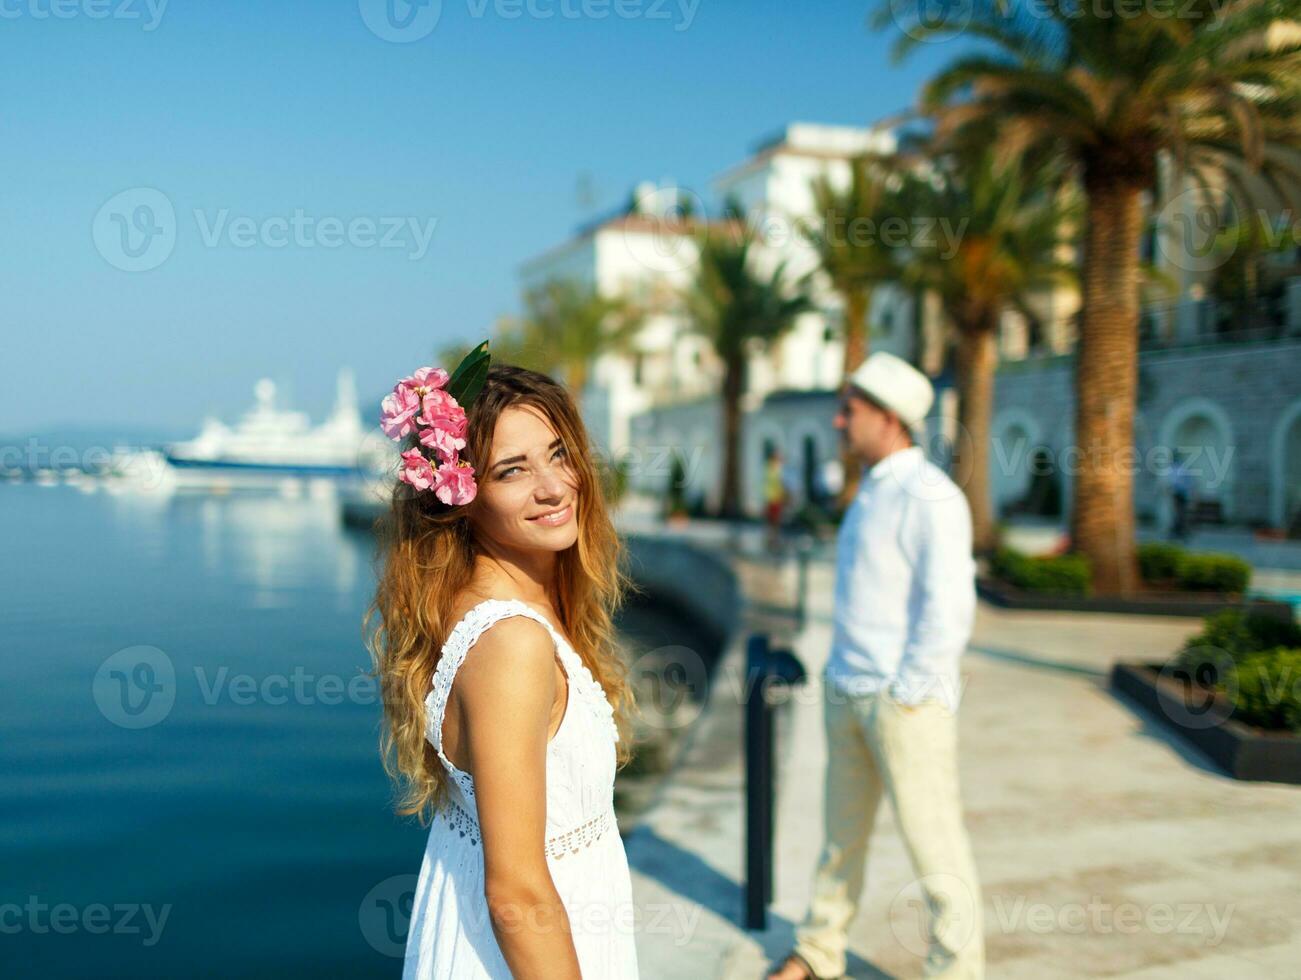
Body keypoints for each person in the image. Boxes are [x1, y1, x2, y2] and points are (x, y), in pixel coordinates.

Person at [367, 354, 639, 979]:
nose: (554, 486)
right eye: (512, 470)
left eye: (560, 453)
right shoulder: (510, 642)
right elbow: (516, 895)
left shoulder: (480, 603)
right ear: (463, 495)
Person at [768, 351, 984, 980]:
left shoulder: (931, 495)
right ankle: (819, 950)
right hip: (848, 691)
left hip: (900, 702)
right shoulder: (872, 491)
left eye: (850, 410)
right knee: (841, 840)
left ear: (889, 418)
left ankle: (957, 970)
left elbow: (948, 607)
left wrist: (909, 691)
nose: (839, 422)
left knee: (936, 849)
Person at [1167, 451, 1194, 541]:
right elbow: (1188, 482)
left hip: (1179, 493)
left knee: (1179, 513)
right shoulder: (1181, 468)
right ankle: (1179, 530)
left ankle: (1179, 531)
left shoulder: (1176, 468)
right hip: (1181, 493)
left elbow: (1174, 482)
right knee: (1180, 513)